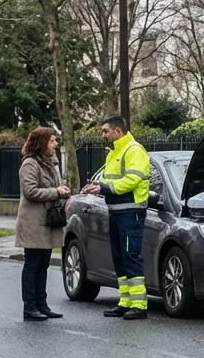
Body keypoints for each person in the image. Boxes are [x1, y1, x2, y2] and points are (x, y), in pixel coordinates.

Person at [82, 115, 152, 320]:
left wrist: (104, 188)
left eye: (105, 131)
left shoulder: (134, 151)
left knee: (131, 256)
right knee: (119, 256)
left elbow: (132, 180)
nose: (103, 135)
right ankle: (125, 301)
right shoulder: (114, 152)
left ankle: (139, 305)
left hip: (131, 212)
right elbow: (108, 178)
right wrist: (98, 186)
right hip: (116, 210)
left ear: (118, 131)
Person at [16, 127, 71, 321]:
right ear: (41, 143)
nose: (55, 144)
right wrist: (56, 192)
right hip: (33, 221)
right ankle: (29, 307)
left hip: (47, 220)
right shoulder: (30, 164)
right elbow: (30, 191)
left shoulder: (51, 163)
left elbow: (52, 186)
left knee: (44, 264)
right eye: (52, 141)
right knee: (33, 264)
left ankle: (42, 304)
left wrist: (61, 190)